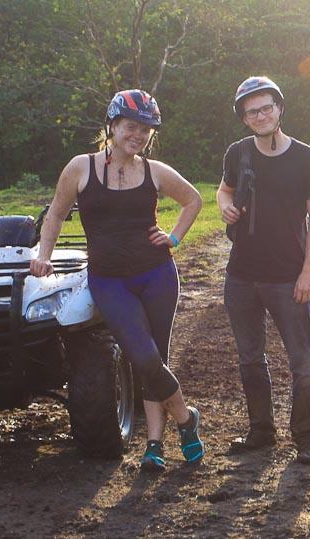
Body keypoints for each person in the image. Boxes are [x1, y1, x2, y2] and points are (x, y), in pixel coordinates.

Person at [30, 89, 205, 472]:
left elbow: (193, 200)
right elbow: (56, 214)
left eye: (145, 129)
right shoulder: (81, 168)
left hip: (157, 275)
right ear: (112, 125)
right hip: (109, 281)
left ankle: (154, 445)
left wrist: (174, 238)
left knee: (156, 358)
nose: (138, 135)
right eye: (131, 126)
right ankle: (186, 418)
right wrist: (43, 255)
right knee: (143, 357)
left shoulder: (154, 171)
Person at [217, 76, 310, 465]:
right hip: (241, 275)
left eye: (267, 107)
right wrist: (225, 207)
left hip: (288, 277)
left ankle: (306, 437)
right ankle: (261, 431)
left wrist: (308, 273)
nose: (261, 116)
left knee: (302, 361)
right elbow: (224, 189)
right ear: (244, 118)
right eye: (252, 112)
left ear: (280, 108)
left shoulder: (308, 159)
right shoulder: (238, 153)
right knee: (250, 358)